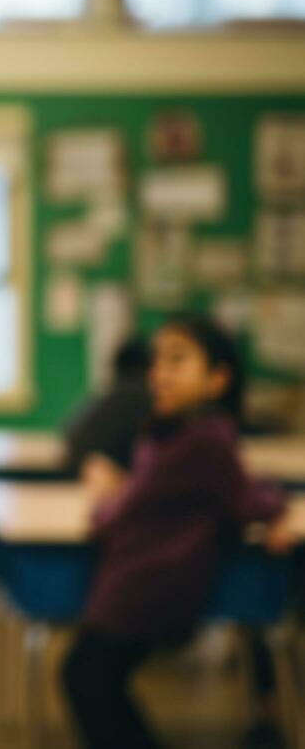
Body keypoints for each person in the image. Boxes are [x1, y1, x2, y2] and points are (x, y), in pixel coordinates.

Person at [61, 313, 292, 749]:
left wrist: (285, 509)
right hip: (134, 590)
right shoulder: (170, 436)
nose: (159, 373)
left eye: (177, 360)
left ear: (217, 379)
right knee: (90, 682)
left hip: (145, 593)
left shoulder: (203, 439)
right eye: (156, 362)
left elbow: (240, 500)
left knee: (88, 680)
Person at [62, 335, 152, 476]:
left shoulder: (110, 394)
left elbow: (68, 429)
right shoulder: (143, 398)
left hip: (77, 477)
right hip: (95, 480)